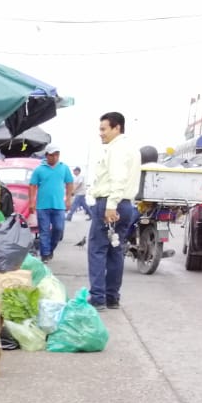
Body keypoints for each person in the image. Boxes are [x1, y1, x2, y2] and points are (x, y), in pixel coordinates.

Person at [87, 111, 141, 310]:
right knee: (116, 250)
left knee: (97, 250)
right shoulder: (132, 149)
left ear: (116, 128)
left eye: (104, 129)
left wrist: (110, 206)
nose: (101, 133)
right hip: (125, 204)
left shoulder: (117, 149)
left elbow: (118, 179)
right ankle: (112, 298)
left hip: (111, 204)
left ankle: (98, 299)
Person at [28, 145, 75, 262]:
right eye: (51, 155)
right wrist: (31, 202)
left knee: (58, 229)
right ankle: (45, 255)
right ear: (46, 155)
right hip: (42, 206)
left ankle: (49, 250)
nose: (54, 157)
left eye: (56, 155)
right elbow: (32, 185)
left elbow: (69, 183)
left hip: (59, 206)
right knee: (44, 231)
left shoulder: (64, 168)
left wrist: (68, 199)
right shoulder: (39, 169)